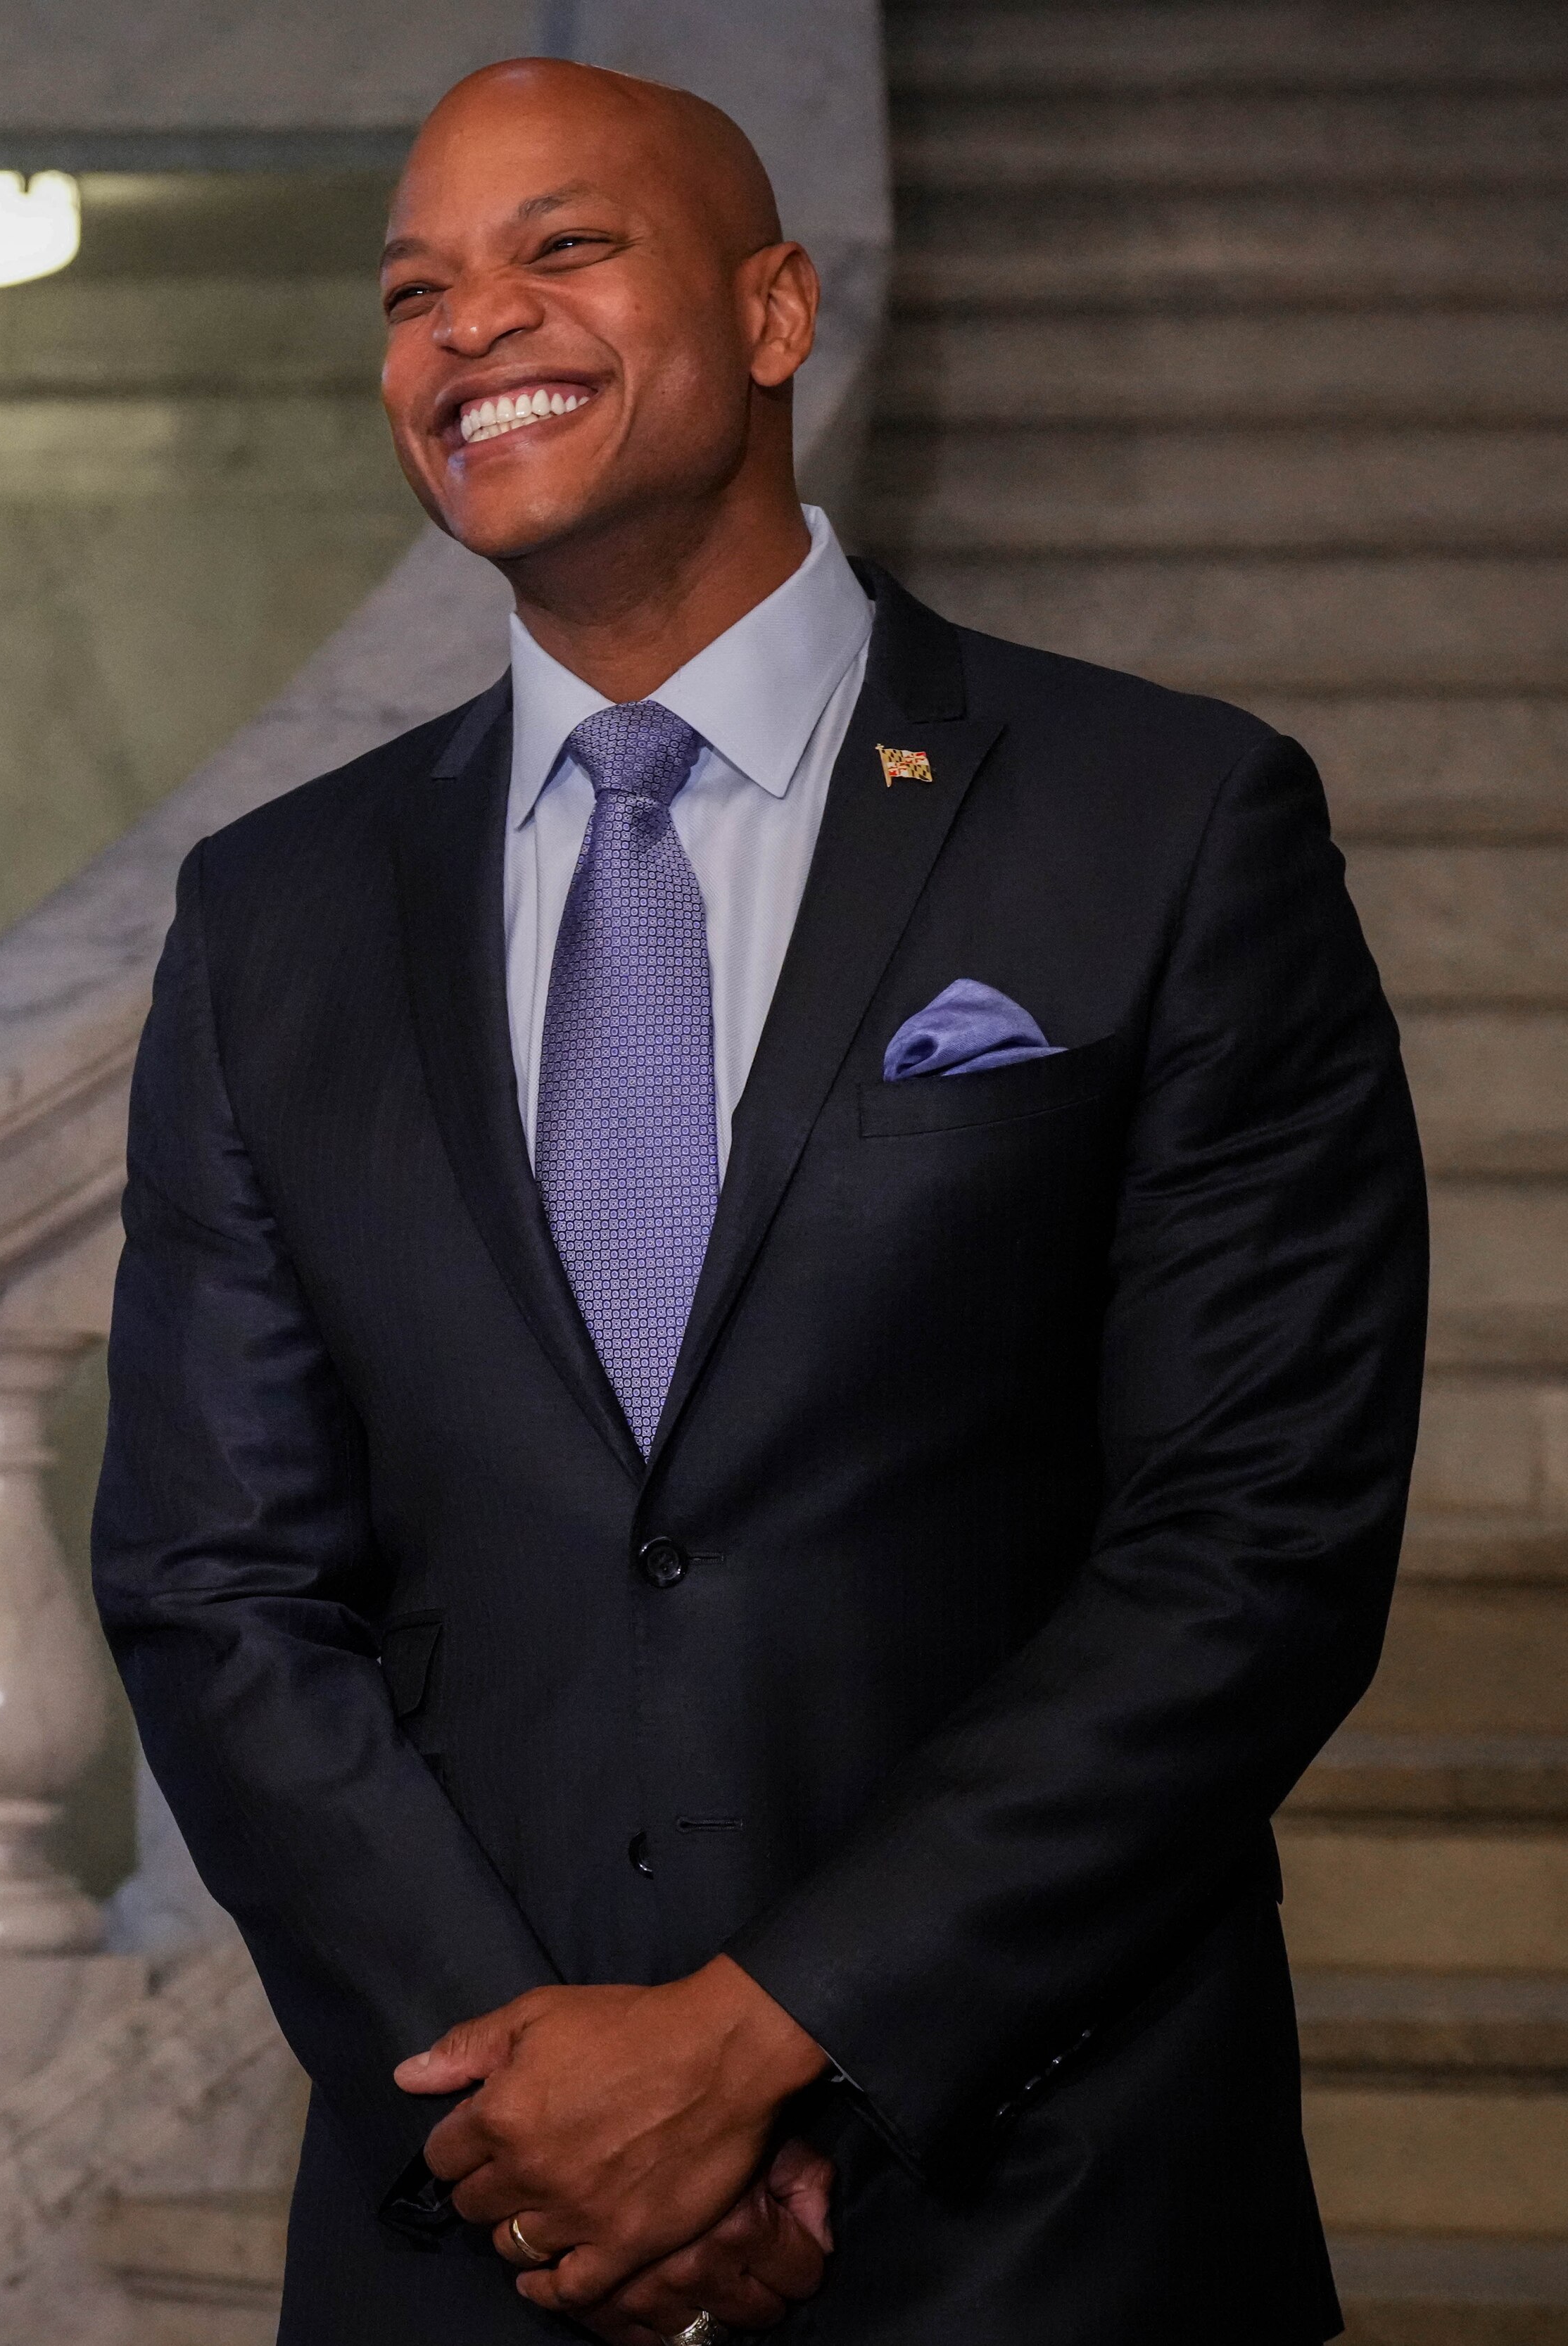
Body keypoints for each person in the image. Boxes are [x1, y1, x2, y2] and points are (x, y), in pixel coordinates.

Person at [93, 58, 1427, 2346]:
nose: (467, 322)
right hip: (483, 2229)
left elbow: (1256, 1546)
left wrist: (752, 2048)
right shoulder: (274, 916)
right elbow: (218, 1587)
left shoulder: (1167, 822)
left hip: (1036, 2215)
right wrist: (538, 2119)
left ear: (781, 307)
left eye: (562, 248)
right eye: (414, 286)